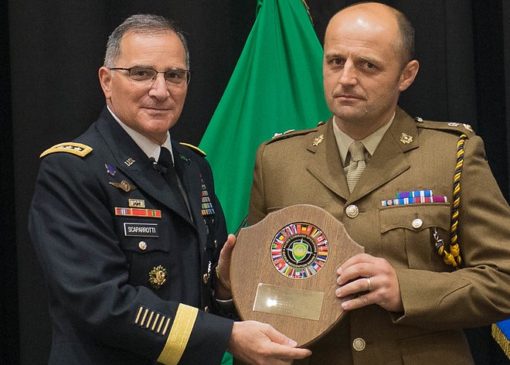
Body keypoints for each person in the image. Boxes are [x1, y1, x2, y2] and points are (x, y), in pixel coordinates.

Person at [29, 14, 311, 365]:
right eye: (141, 73)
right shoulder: (72, 170)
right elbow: (101, 302)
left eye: (174, 76)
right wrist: (227, 336)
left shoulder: (194, 167)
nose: (160, 91)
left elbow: (201, 292)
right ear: (106, 81)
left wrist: (223, 290)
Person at [247, 2, 510, 364]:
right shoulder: (277, 160)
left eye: (368, 65)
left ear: (407, 74)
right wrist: (233, 284)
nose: (347, 78)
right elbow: (262, 284)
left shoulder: (451, 156)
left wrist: (405, 288)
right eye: (336, 61)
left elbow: (504, 281)